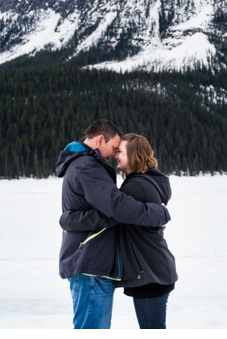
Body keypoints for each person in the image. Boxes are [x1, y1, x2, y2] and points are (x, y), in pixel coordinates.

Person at [56, 120, 171, 329]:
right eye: (114, 148)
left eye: (120, 151)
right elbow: (117, 207)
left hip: (93, 262)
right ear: (101, 140)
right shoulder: (87, 166)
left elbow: (113, 208)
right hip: (89, 262)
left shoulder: (89, 165)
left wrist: (68, 219)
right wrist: (158, 213)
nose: (114, 154)